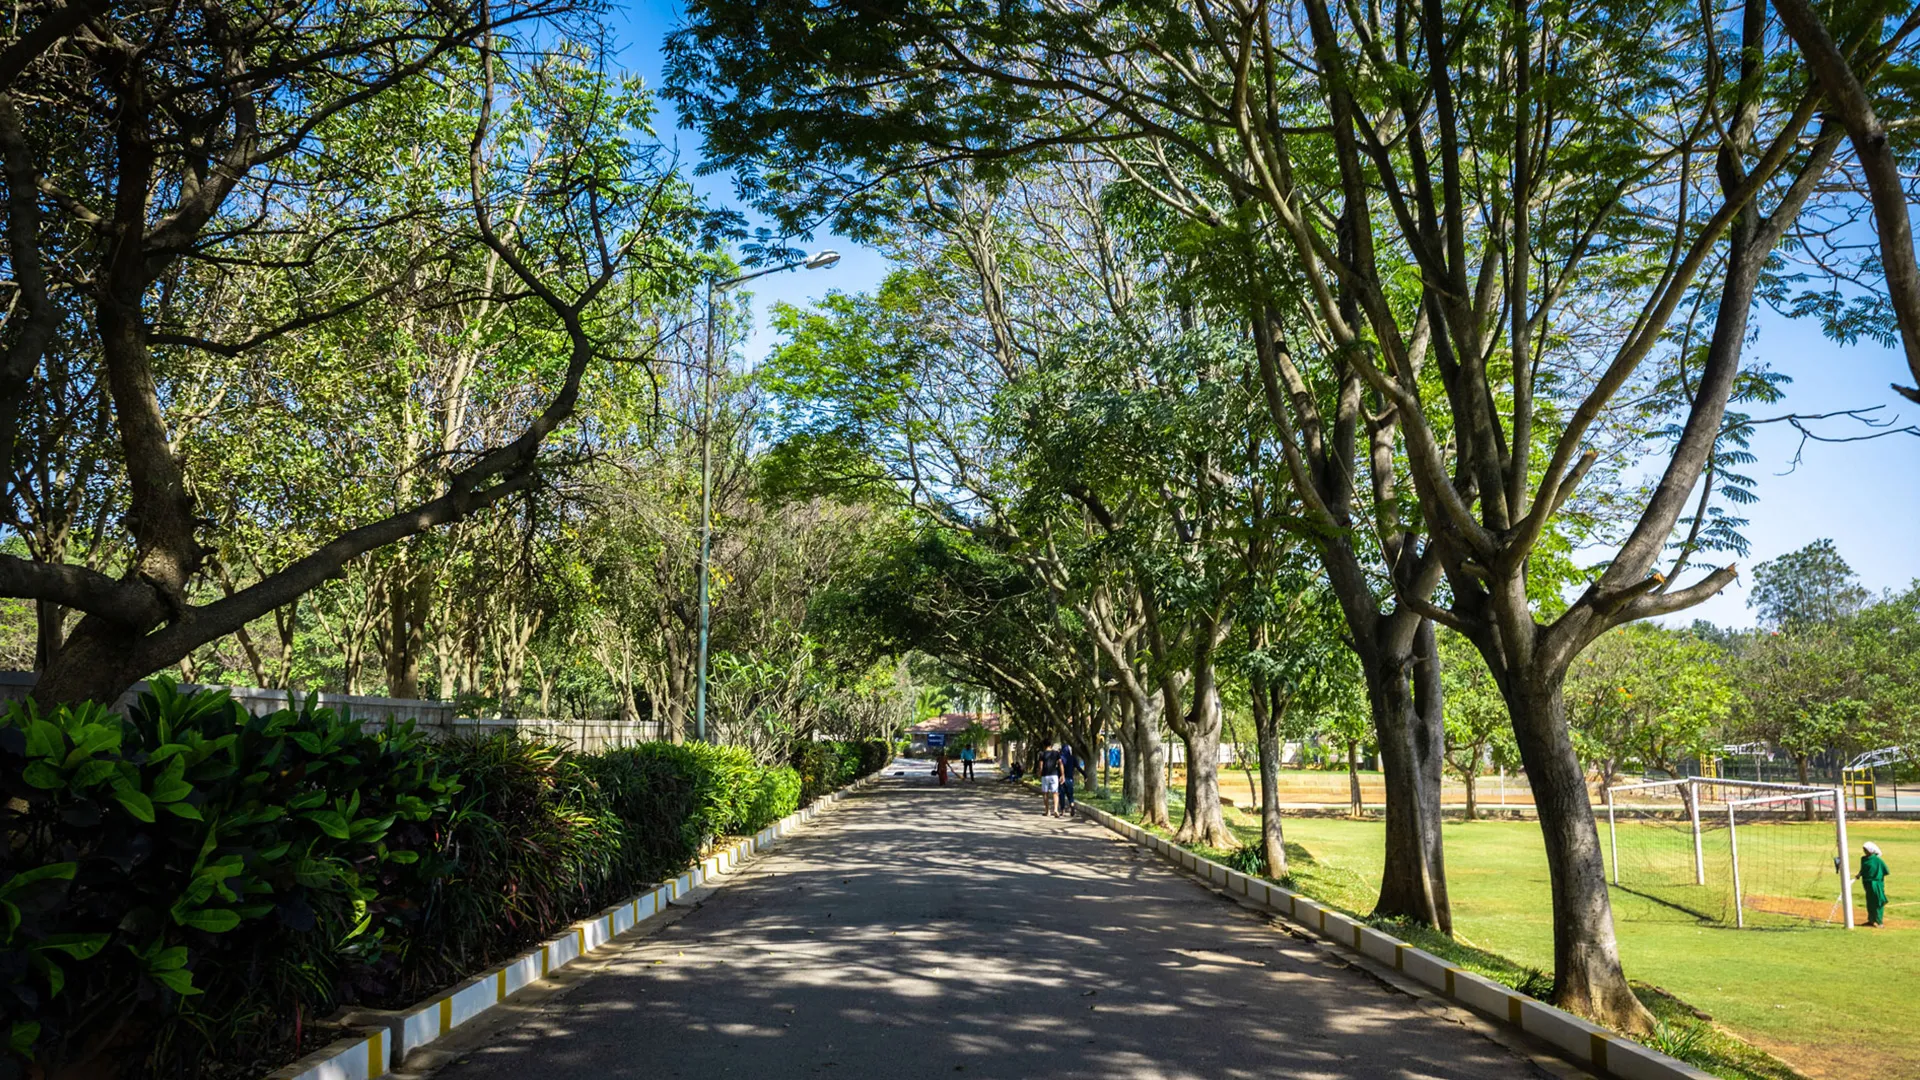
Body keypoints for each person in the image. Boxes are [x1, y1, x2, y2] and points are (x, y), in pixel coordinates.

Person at [1861, 841, 1890, 927]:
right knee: (1870, 902)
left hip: (1876, 884)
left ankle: (1879, 922)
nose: (1864, 851)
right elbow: (1863, 869)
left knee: (1878, 901)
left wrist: (1876, 877)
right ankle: (1871, 920)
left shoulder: (1878, 861)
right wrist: (1860, 874)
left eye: (1866, 850)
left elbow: (1886, 871)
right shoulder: (1863, 859)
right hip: (1866, 883)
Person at [1039, 742, 1064, 816]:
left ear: (1044, 746)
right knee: (1055, 793)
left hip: (1045, 775)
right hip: (1054, 775)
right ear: (1050, 745)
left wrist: (1040, 773)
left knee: (1045, 793)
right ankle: (1055, 810)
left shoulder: (1042, 754)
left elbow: (1041, 766)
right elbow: (1060, 763)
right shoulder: (1056, 753)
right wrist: (1062, 774)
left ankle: (1047, 811)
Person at [1058, 743, 1078, 812]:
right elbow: (1078, 767)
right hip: (1070, 779)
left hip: (1062, 779)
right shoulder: (1073, 758)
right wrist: (1085, 775)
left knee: (1062, 794)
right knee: (1070, 795)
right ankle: (1072, 804)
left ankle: (1062, 810)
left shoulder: (1061, 758)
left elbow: (1058, 768)